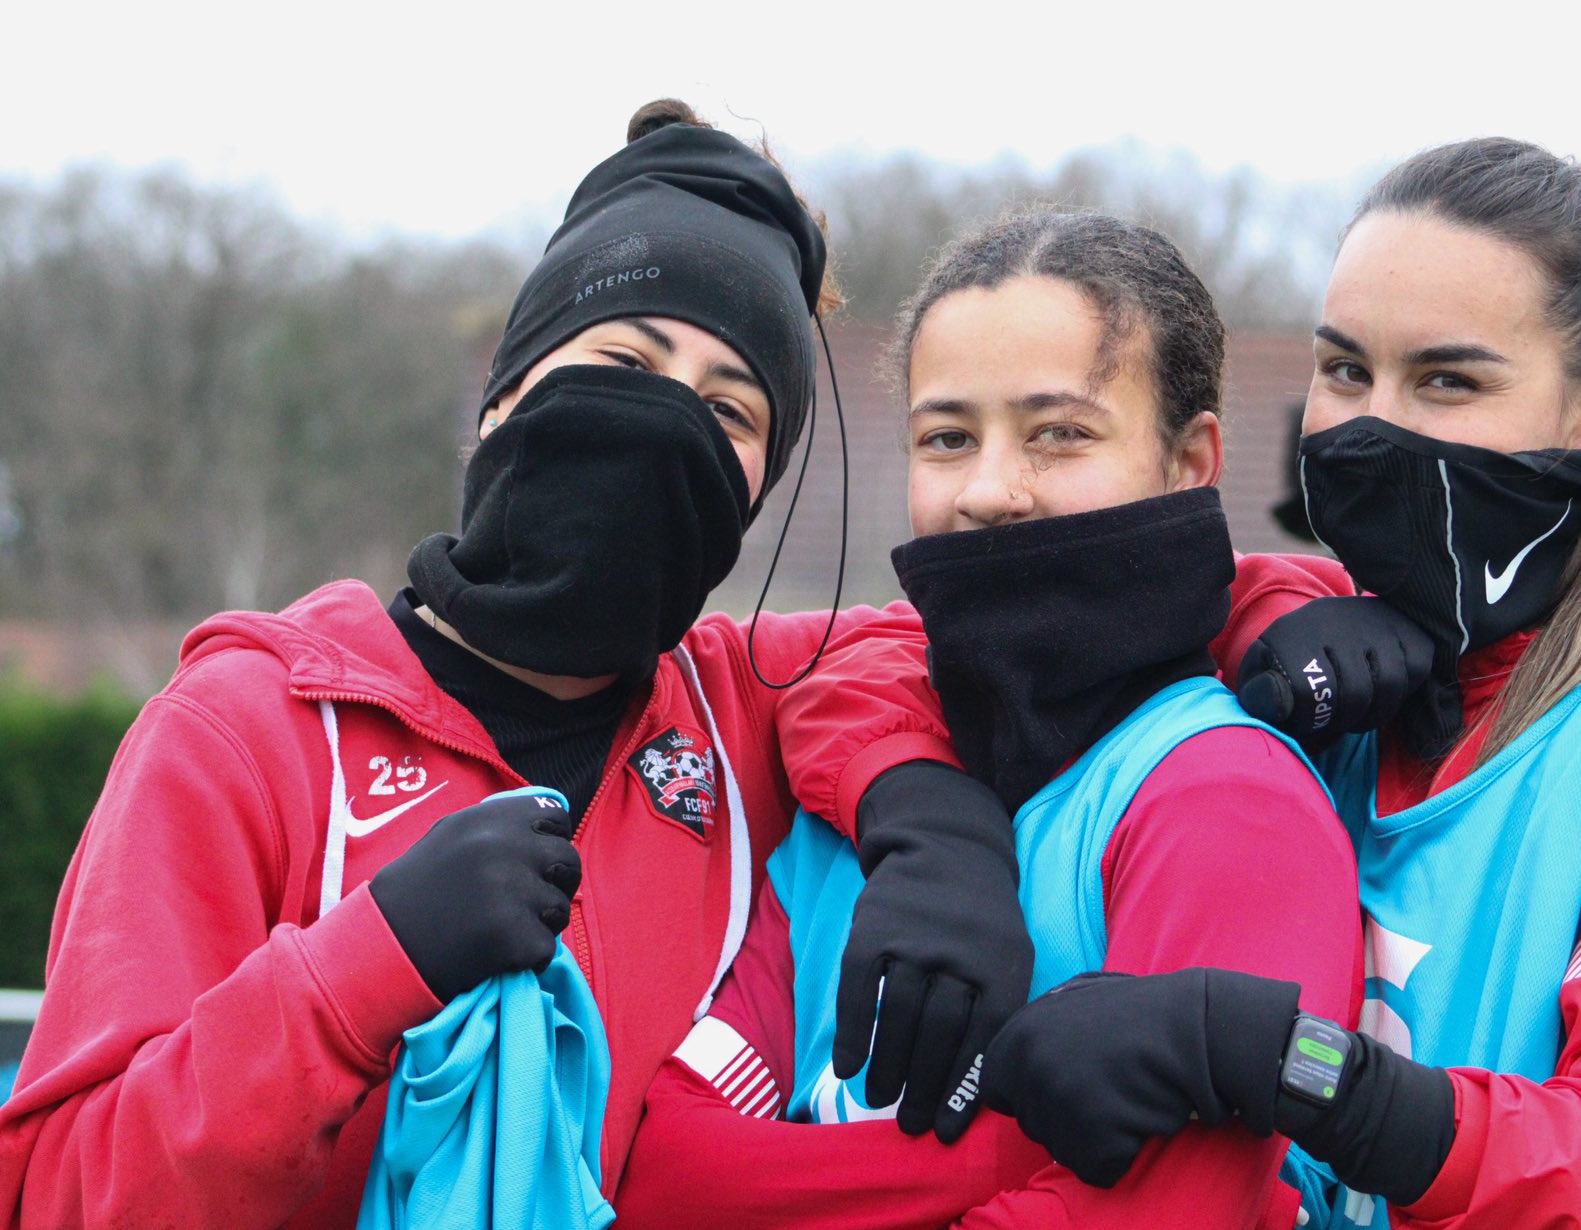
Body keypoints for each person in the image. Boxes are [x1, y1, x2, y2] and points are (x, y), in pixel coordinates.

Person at [0, 99, 1030, 1228]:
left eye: (727, 409)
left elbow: (994, 618)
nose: (662, 418)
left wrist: (936, 824)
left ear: (754, 499)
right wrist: (362, 968)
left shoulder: (739, 711)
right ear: (504, 396)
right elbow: (60, 1192)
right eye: (625, 357)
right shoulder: (243, 730)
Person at [978, 139, 1581, 1228]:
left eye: (1446, 379)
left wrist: (1284, 1060)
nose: (1374, 424)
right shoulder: (1313, 655)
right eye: (1345, 369)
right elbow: (908, 639)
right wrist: (920, 826)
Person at [615, 209, 1368, 1228]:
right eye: (947, 437)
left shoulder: (1223, 798)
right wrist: (1027, 1138)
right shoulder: (858, 815)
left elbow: (1175, 1208)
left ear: (1191, 462)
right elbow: (666, 1173)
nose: (987, 491)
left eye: (1058, 433)